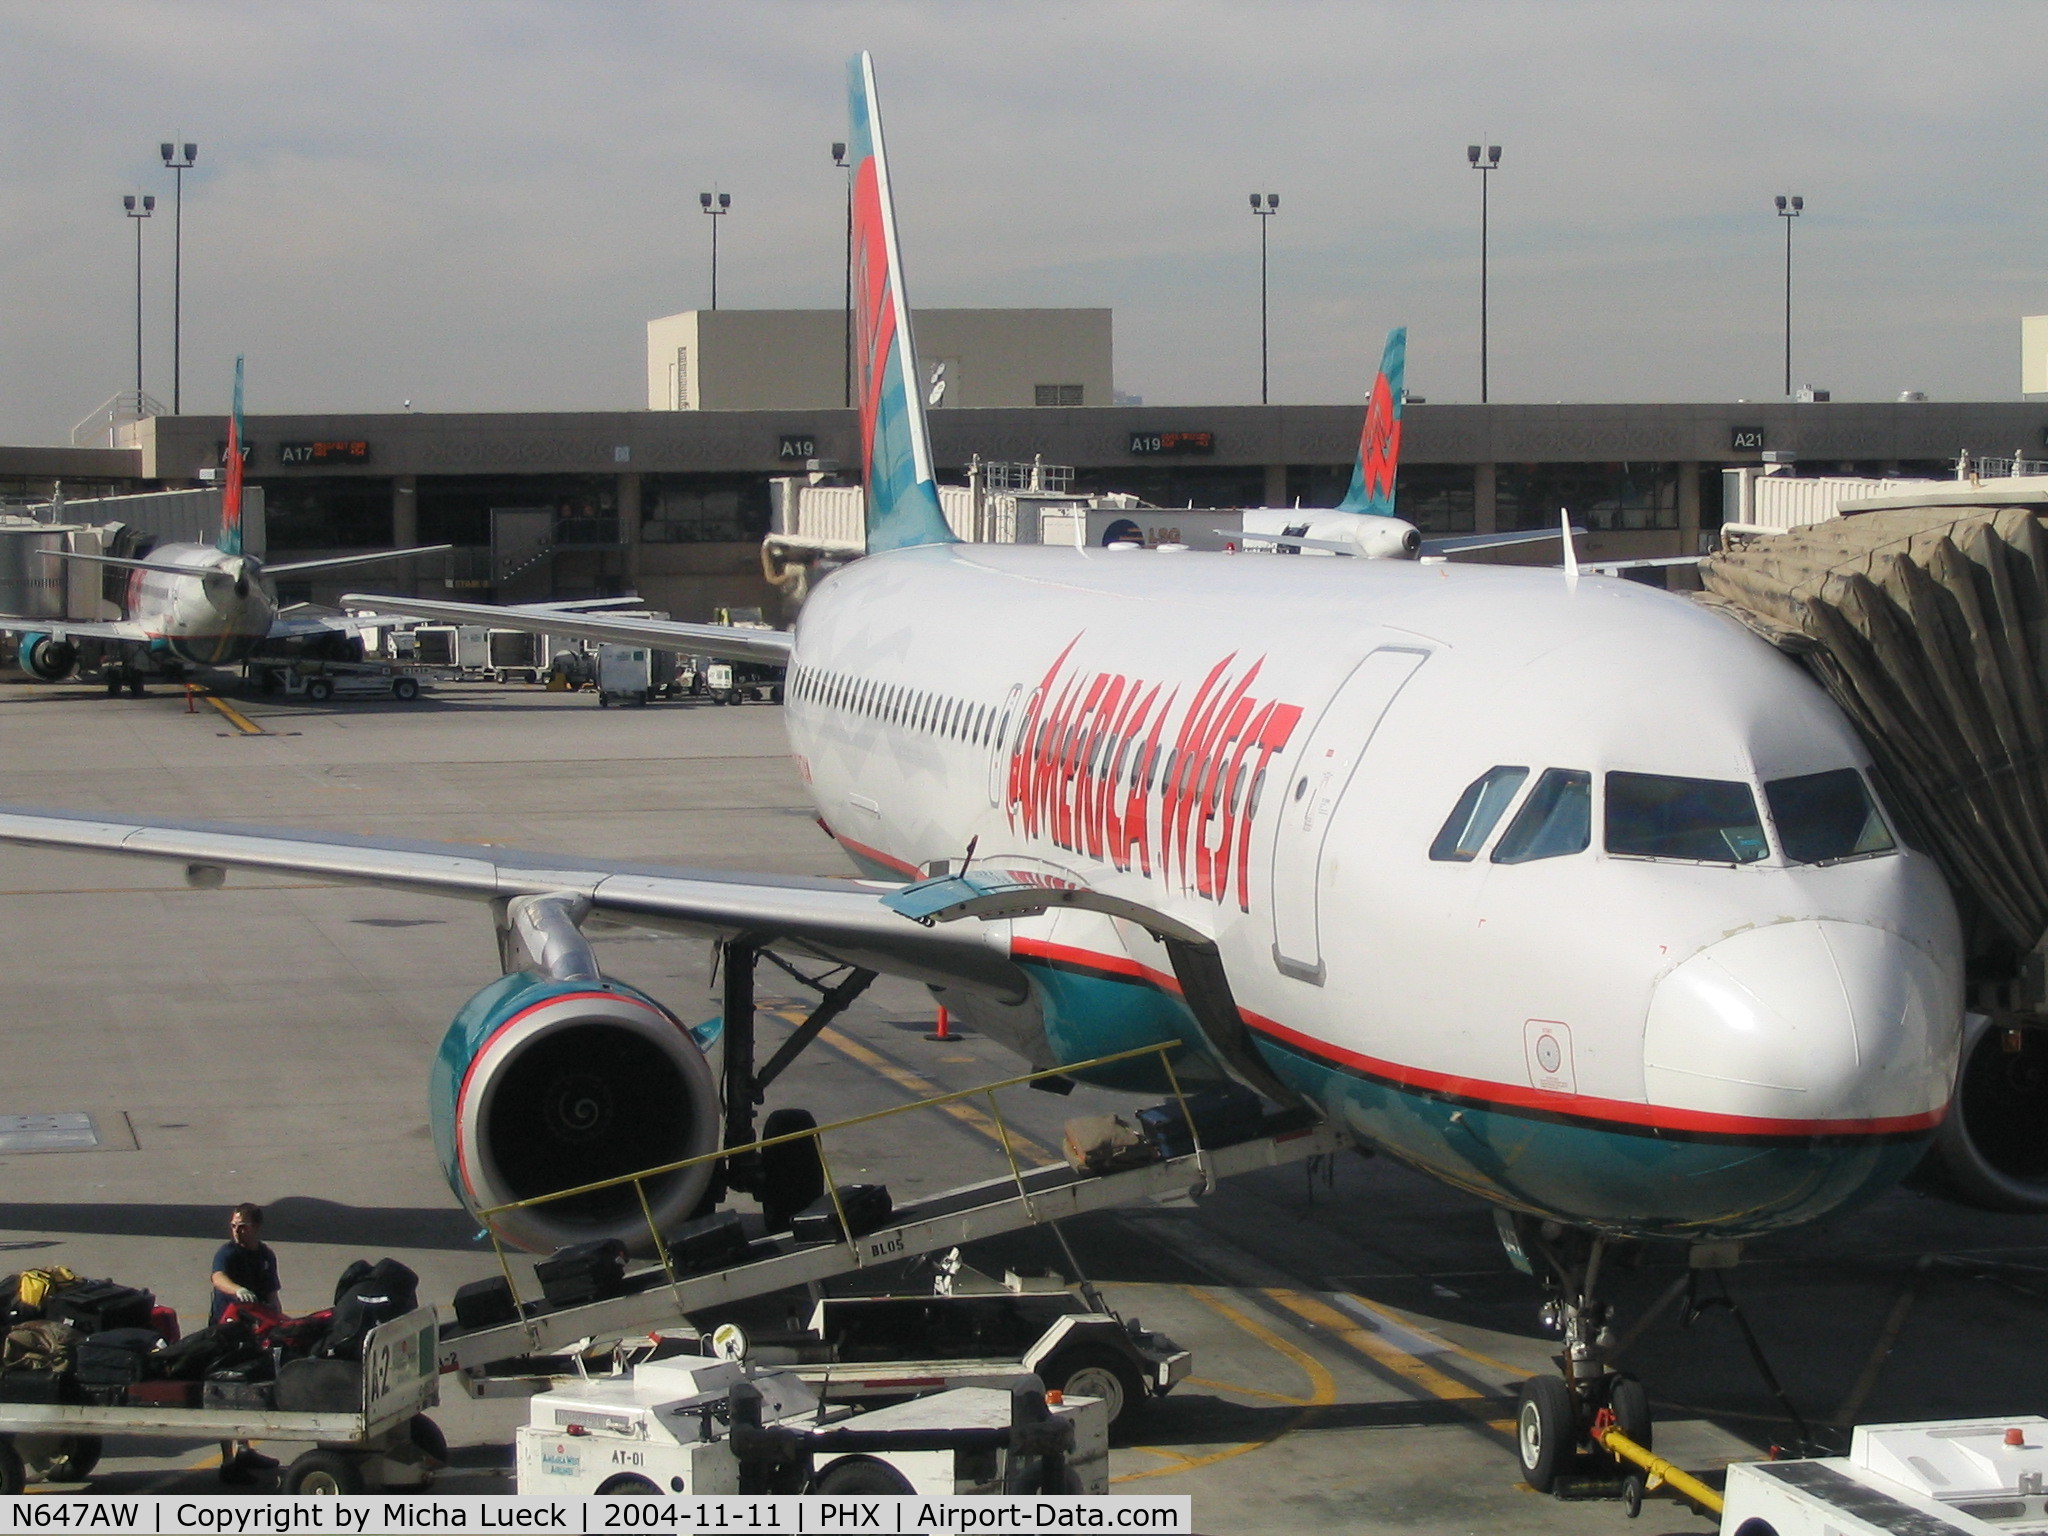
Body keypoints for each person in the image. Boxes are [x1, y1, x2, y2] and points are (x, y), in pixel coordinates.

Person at [208, 1203, 282, 1484]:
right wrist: (237, 1290)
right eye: (233, 1226)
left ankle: (244, 1449)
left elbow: (272, 1294)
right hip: (227, 1336)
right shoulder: (227, 1253)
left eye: (243, 1226)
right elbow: (218, 1278)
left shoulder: (265, 1255)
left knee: (247, 1392)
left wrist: (280, 1322)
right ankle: (229, 1462)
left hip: (254, 1334)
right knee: (225, 1395)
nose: (236, 1231)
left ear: (257, 1228)